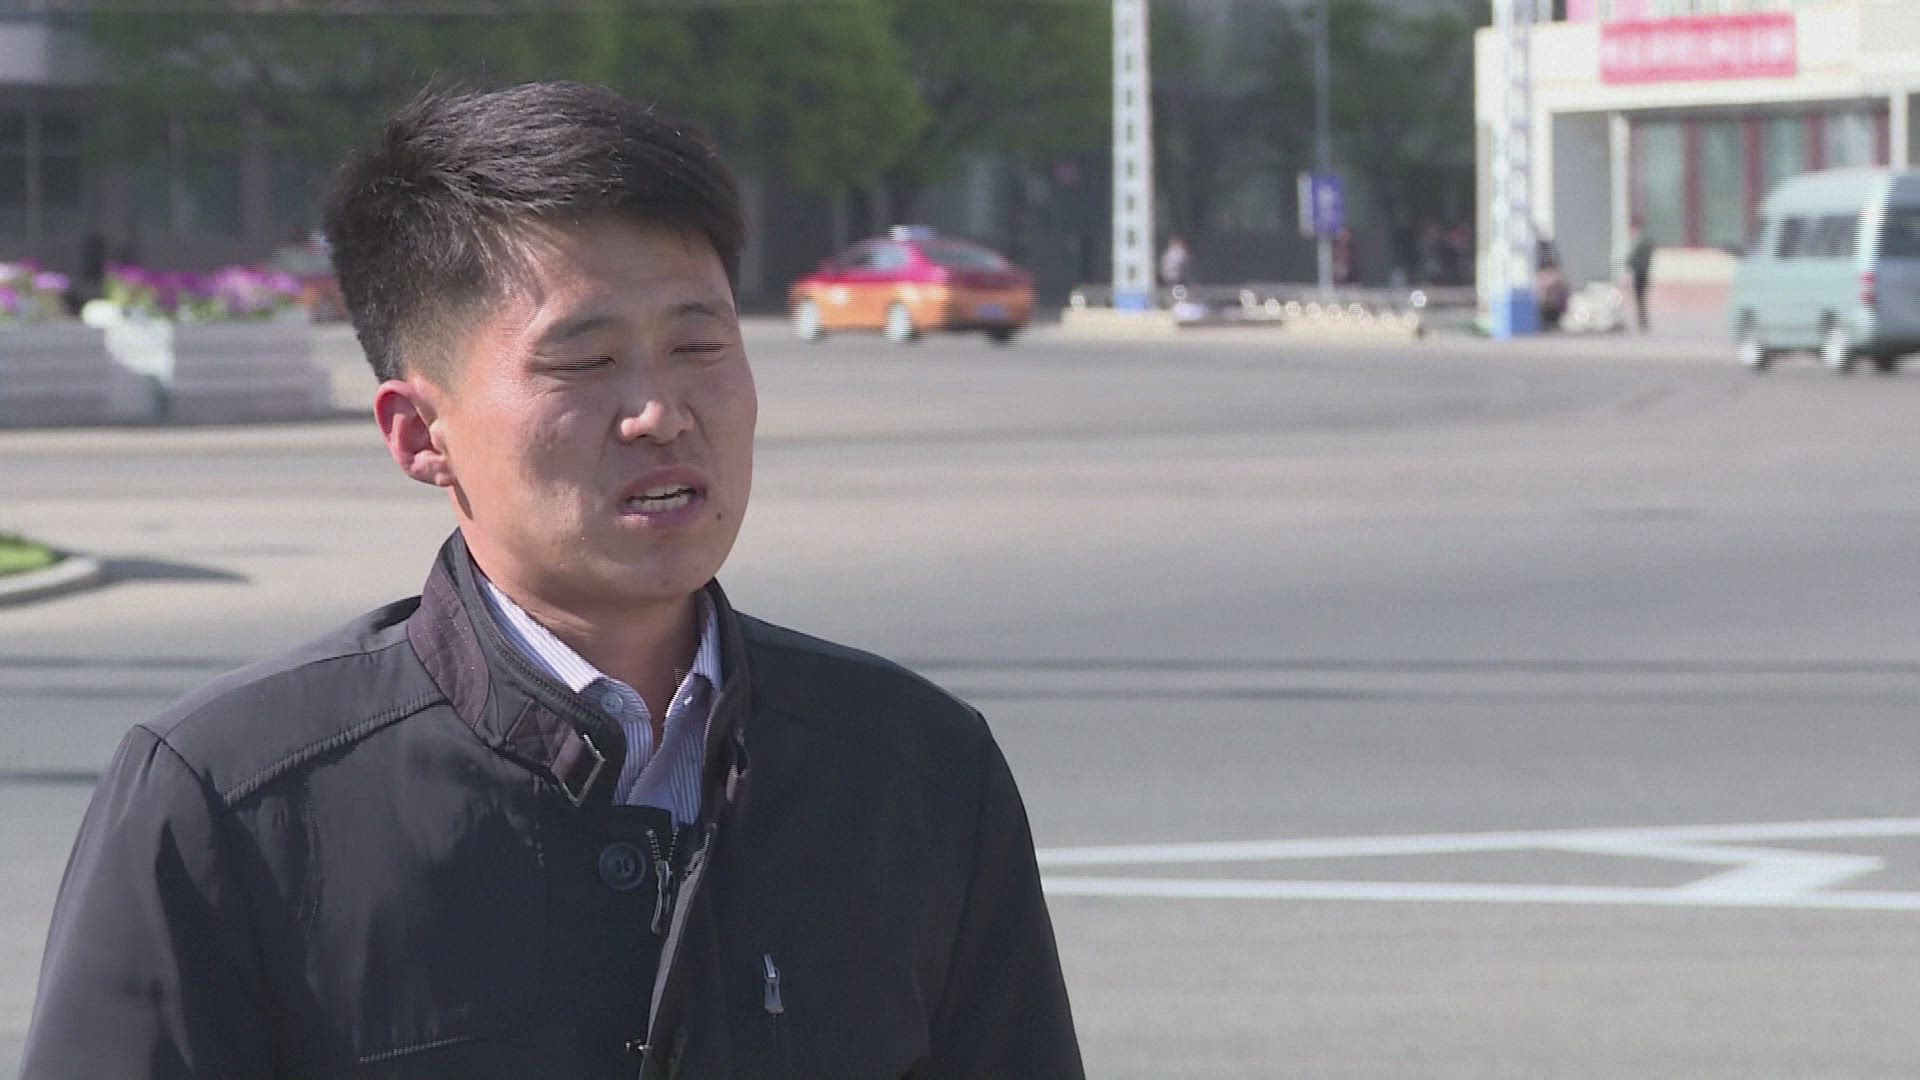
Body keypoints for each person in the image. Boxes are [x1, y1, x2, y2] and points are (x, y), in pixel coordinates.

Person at [22, 82, 1083, 1080]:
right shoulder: (229, 803)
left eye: (700, 345)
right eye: (584, 361)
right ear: (419, 433)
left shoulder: (920, 773)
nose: (661, 413)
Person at [1625, 218, 1656, 334]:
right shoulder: (1641, 242)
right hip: (1640, 273)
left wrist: (1631, 265)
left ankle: (1642, 321)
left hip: (1640, 274)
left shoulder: (1642, 243)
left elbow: (1637, 259)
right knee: (1640, 299)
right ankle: (1642, 321)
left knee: (1640, 299)